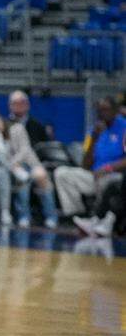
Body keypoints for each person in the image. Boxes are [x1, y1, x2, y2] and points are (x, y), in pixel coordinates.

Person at [57, 98, 125, 234]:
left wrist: (107, 169)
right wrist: (94, 138)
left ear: (115, 111)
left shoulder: (124, 127)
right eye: (99, 110)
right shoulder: (95, 130)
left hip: (115, 174)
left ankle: (101, 220)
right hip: (93, 174)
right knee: (62, 173)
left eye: (105, 109)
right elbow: (85, 165)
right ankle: (76, 216)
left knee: (106, 181)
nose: (102, 113)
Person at [0, 115, 59, 229]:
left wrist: (14, 162)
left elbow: (25, 149)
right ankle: (24, 216)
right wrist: (13, 166)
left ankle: (51, 217)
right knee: (22, 179)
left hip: (29, 163)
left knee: (41, 176)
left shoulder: (17, 128)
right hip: (12, 169)